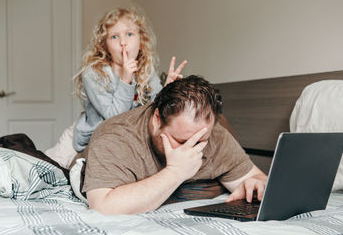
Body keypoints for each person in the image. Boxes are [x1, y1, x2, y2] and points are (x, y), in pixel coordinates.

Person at [77, 75, 267, 215]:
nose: (193, 149)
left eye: (201, 141)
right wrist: (175, 172)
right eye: (183, 141)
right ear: (157, 119)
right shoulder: (116, 135)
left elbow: (256, 177)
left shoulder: (213, 133)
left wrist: (257, 183)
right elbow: (103, 207)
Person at [73, 7, 187, 152]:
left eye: (129, 34)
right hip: (93, 135)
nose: (123, 42)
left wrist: (168, 89)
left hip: (129, 132)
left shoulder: (145, 69)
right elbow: (114, 119)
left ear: (141, 43)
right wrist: (126, 79)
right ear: (105, 45)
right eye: (114, 37)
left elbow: (156, 108)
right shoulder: (93, 73)